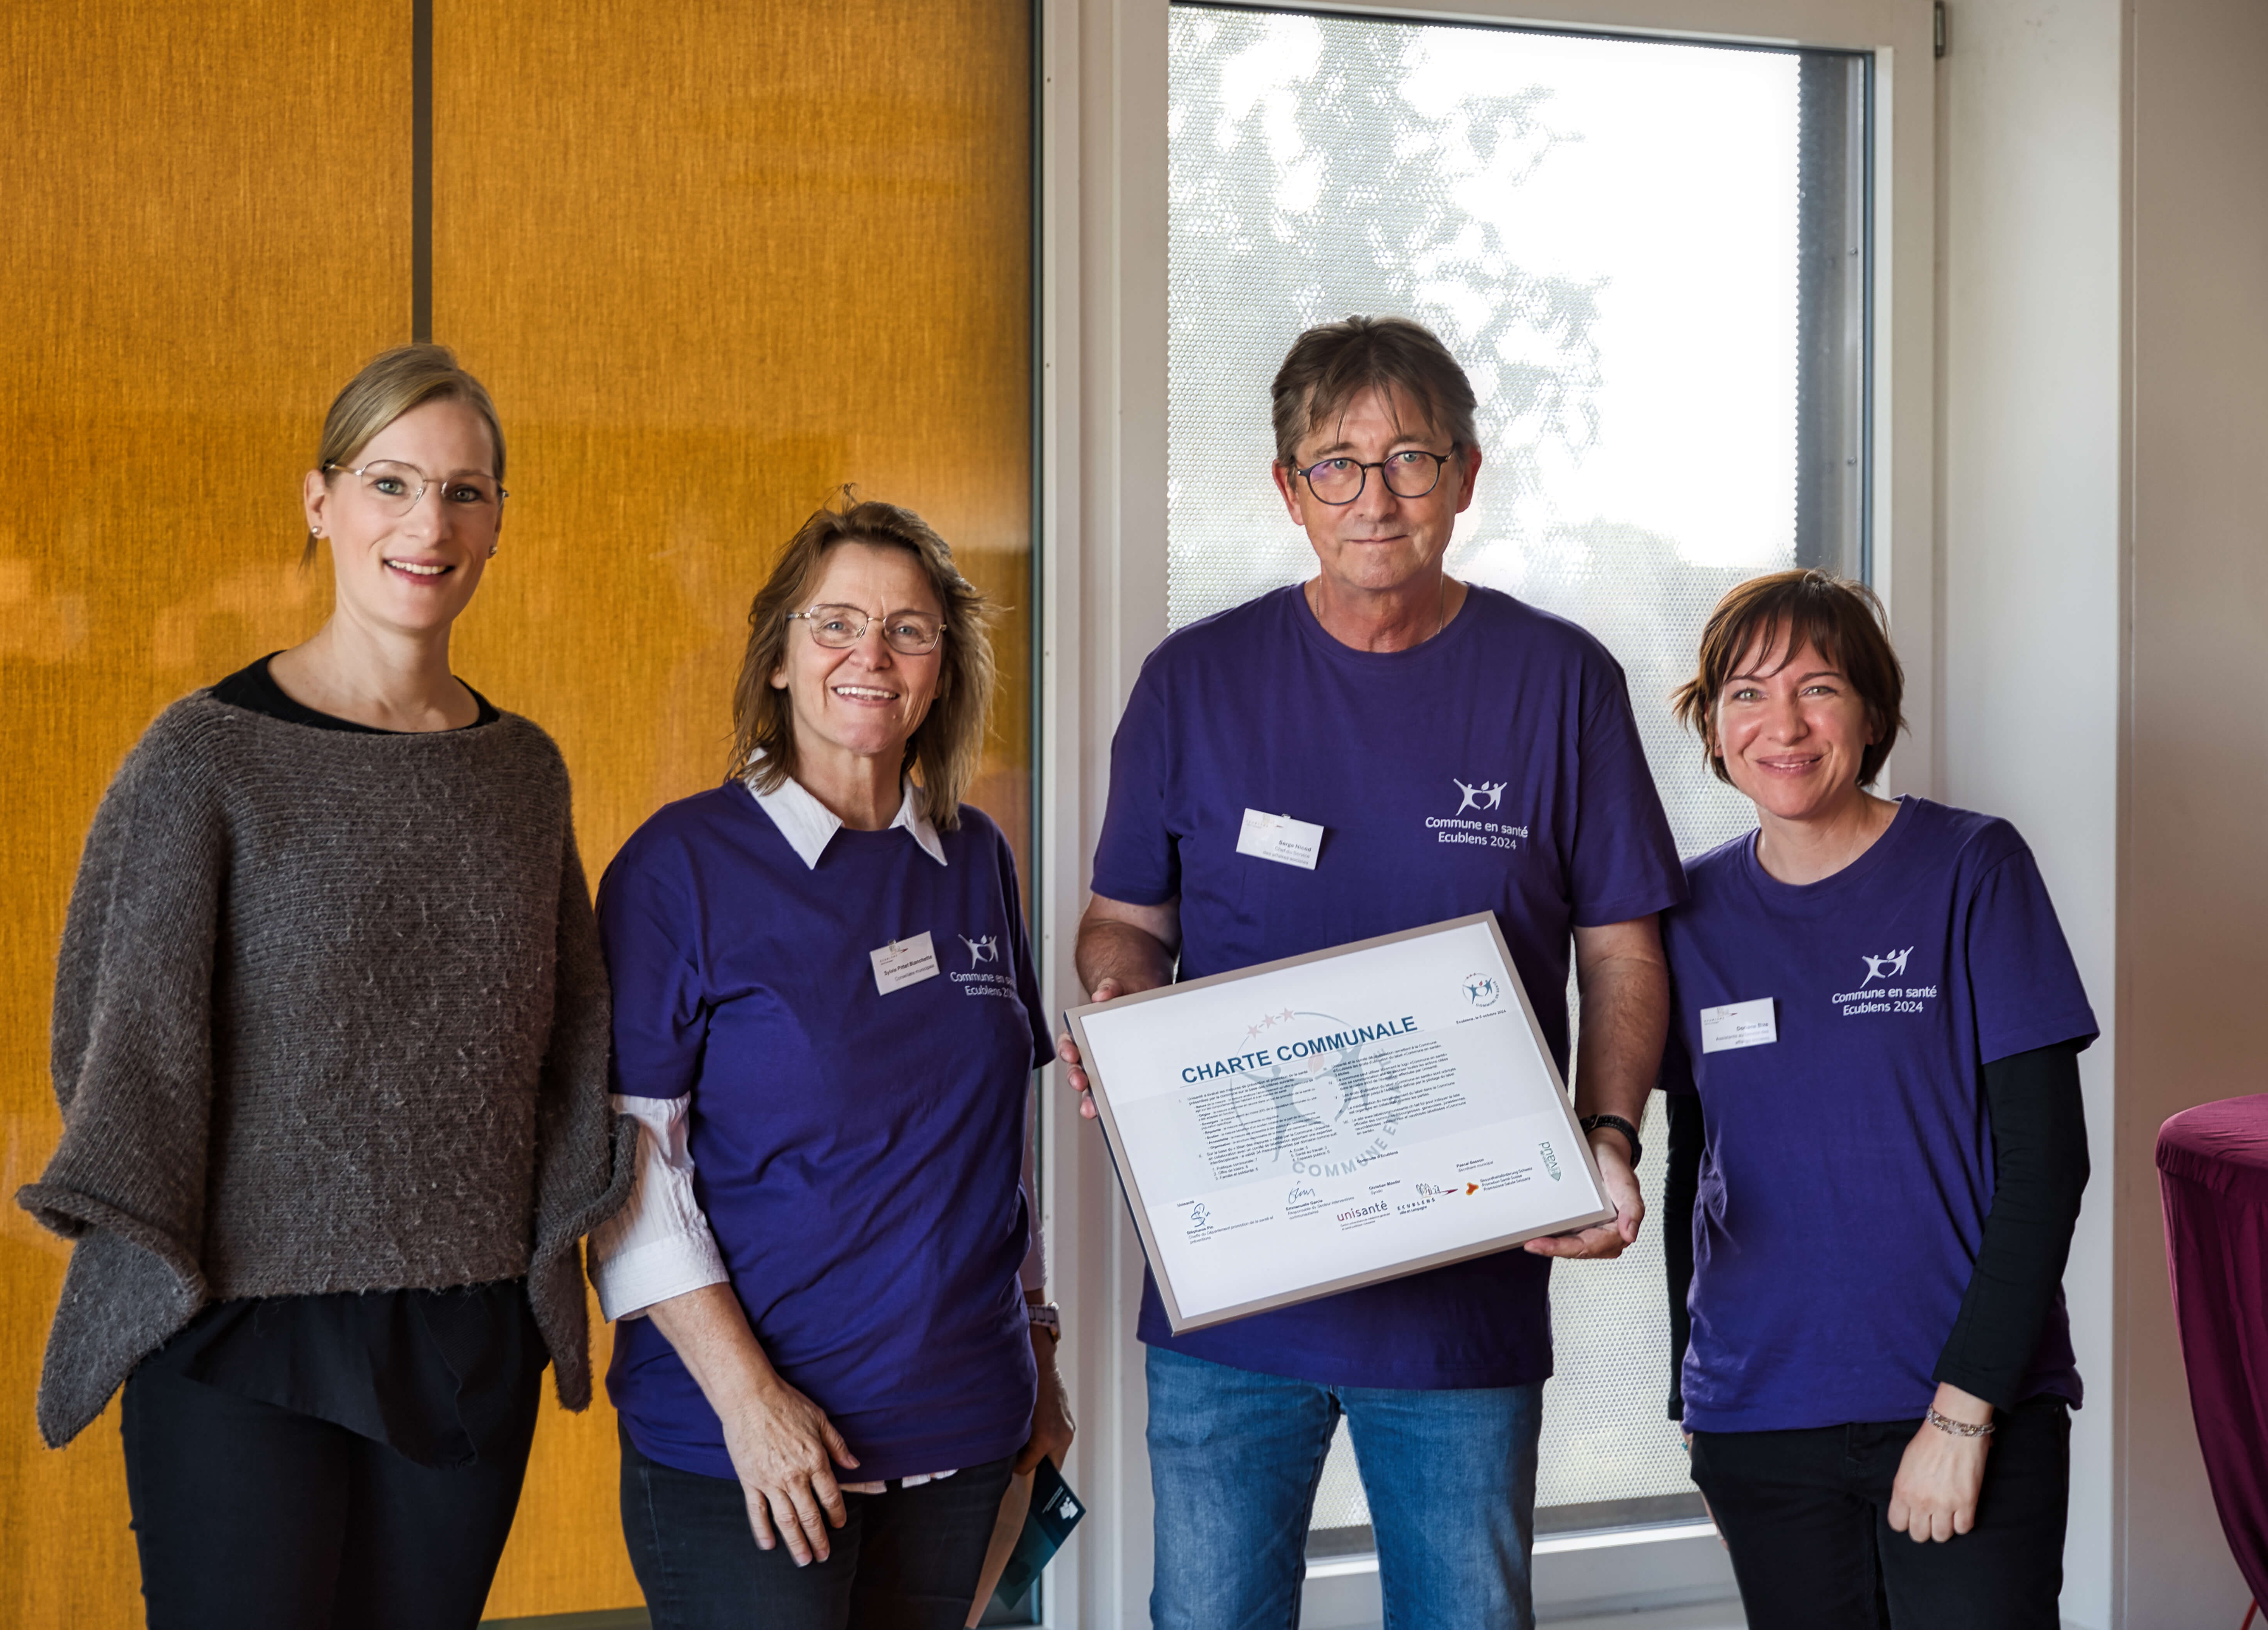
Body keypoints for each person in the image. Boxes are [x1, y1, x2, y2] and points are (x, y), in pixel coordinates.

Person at [1059, 315, 1686, 1629]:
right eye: (1335, 463)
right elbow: (1125, 920)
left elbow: (1623, 945)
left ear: (1466, 474)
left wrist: (1608, 1129)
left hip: (1465, 1299)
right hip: (1235, 1301)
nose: (1376, 496)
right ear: (1289, 490)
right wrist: (1119, 1012)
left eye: (1410, 457)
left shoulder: (1561, 684)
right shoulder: (1194, 684)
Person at [17, 344, 631, 1630]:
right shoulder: (206, 760)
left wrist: (544, 1255)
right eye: (393, 483)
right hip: (242, 1328)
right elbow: (115, 1037)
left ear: (500, 522)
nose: (430, 524)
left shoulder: (524, 775)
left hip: (466, 1330)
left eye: (466, 492)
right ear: (322, 502)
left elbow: (572, 1037)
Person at [591, 497, 1073, 1630]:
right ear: (779, 657)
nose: (872, 655)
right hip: (753, 1454)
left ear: (943, 669)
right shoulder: (680, 869)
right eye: (837, 623)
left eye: (909, 630)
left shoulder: (976, 856)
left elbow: (1003, 1138)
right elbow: (629, 1177)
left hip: (965, 1427)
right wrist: (751, 1403)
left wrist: (1039, 1350)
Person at [1659, 570, 2094, 1628]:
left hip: (1960, 1403)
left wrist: (1963, 1417)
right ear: (1715, 729)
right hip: (1762, 1419)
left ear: (1872, 710)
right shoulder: (1689, 912)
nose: (1785, 724)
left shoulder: (1972, 870)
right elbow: (1696, 1168)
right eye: (1748, 693)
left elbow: (2047, 1166)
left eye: (1820, 687)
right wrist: (1693, 1410)